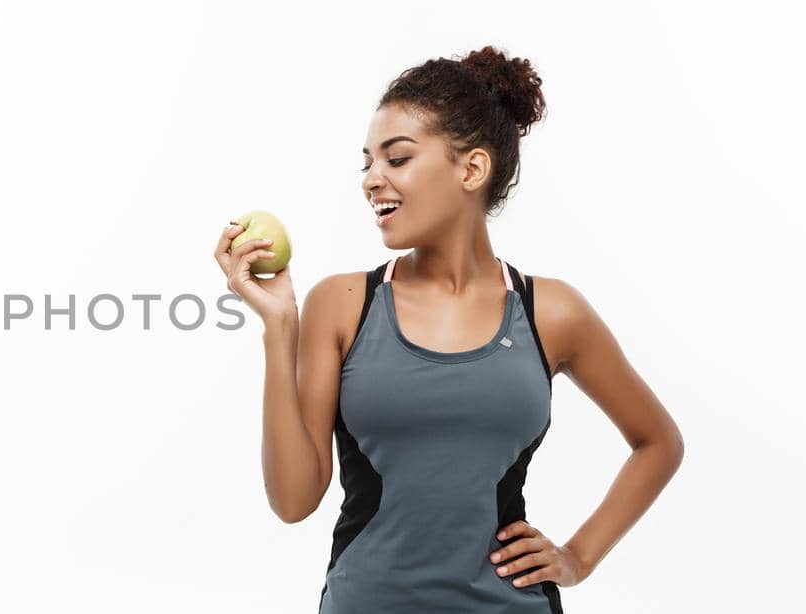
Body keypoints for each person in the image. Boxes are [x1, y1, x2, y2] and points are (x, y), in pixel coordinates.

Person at [213, 46, 684, 613]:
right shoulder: (342, 305)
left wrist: (577, 557)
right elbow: (293, 500)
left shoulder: (551, 312)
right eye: (367, 163)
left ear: (472, 168)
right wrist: (278, 325)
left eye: (398, 158)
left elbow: (657, 443)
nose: (371, 180)